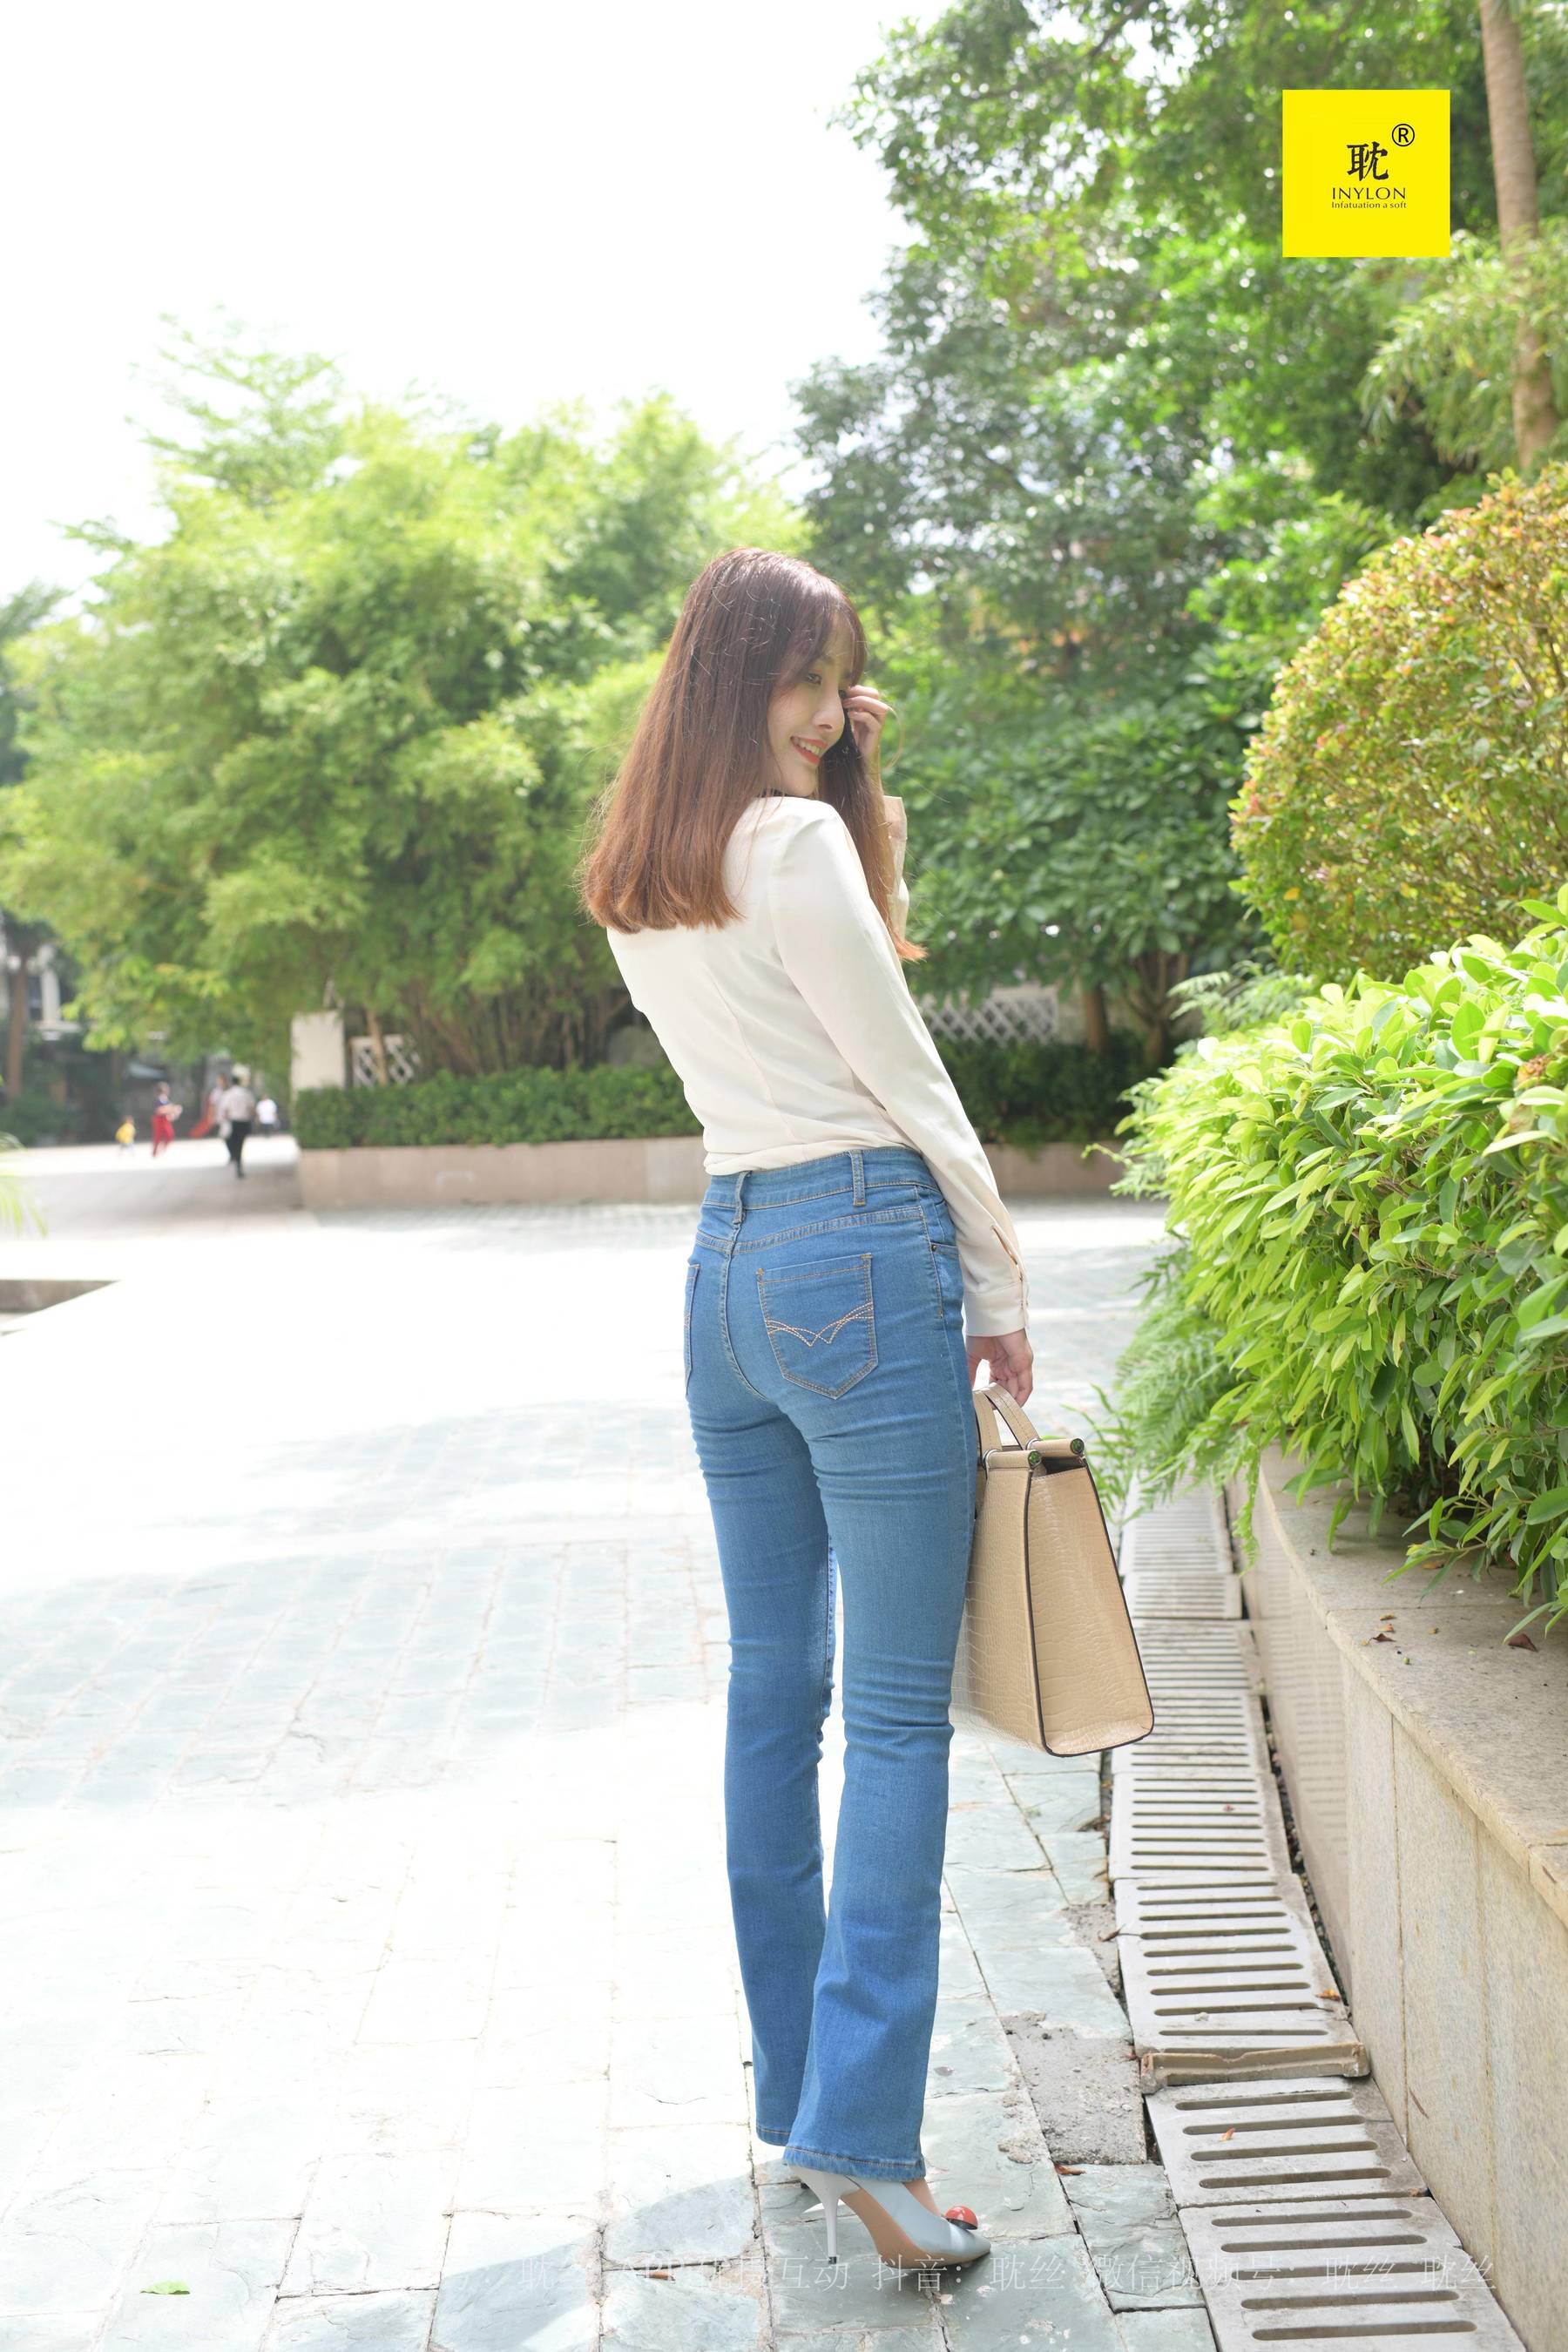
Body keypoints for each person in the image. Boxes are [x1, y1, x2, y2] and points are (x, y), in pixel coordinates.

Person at [580, 548, 1032, 2274]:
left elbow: (819, 1001)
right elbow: (902, 1069)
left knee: (777, 1693)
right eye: (808, 679)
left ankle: (800, 2099)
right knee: (899, 1718)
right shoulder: (791, 845)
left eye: (841, 682)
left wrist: (846, 791)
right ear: (744, 677)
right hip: (859, 1252)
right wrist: (1000, 1281)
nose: (832, 709)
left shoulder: (643, 869)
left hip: (727, 1274)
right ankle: (873, 2149)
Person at [216, 1074, 257, 1177]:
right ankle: (238, 1162)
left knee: (232, 1142)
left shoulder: (228, 1094)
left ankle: (235, 1157)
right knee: (240, 1144)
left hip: (233, 1122)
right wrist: (256, 1117)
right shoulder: (246, 1093)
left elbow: (225, 1110)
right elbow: (252, 1108)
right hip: (244, 1121)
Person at [149, 1084, 182, 1156]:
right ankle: (156, 1150)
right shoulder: (160, 1099)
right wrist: (172, 1108)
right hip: (158, 1119)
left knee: (169, 1134)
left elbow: (169, 1112)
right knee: (158, 1136)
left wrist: (173, 1112)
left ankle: (160, 1149)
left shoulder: (165, 1100)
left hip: (164, 1119)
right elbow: (159, 1110)